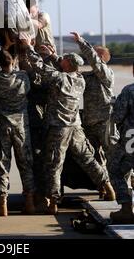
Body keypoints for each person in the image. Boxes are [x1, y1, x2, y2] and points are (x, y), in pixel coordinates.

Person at [20, 43, 116, 214]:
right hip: (75, 127)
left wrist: (29, 48)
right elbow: (60, 68)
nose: (61, 60)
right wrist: (54, 56)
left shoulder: (60, 78)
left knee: (54, 165)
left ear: (67, 65)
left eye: (63, 60)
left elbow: (41, 68)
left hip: (59, 128)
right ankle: (107, 186)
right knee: (88, 159)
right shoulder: (80, 80)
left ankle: (53, 202)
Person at [0, 49, 36, 216]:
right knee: (25, 163)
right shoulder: (22, 77)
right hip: (21, 126)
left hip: (3, 125)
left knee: (2, 164)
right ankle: (29, 202)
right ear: (13, 62)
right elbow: (29, 89)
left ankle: (2, 203)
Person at [71, 32, 114, 197]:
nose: (90, 58)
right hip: (90, 123)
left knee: (112, 156)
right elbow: (73, 74)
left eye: (94, 54)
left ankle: (119, 186)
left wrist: (81, 42)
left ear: (101, 57)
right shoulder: (89, 76)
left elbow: (94, 61)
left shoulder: (106, 74)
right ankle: (103, 186)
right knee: (94, 158)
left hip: (105, 122)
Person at [108, 62, 134, 224]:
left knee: (115, 169)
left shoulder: (129, 90)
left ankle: (126, 209)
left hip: (131, 140)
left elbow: (117, 116)